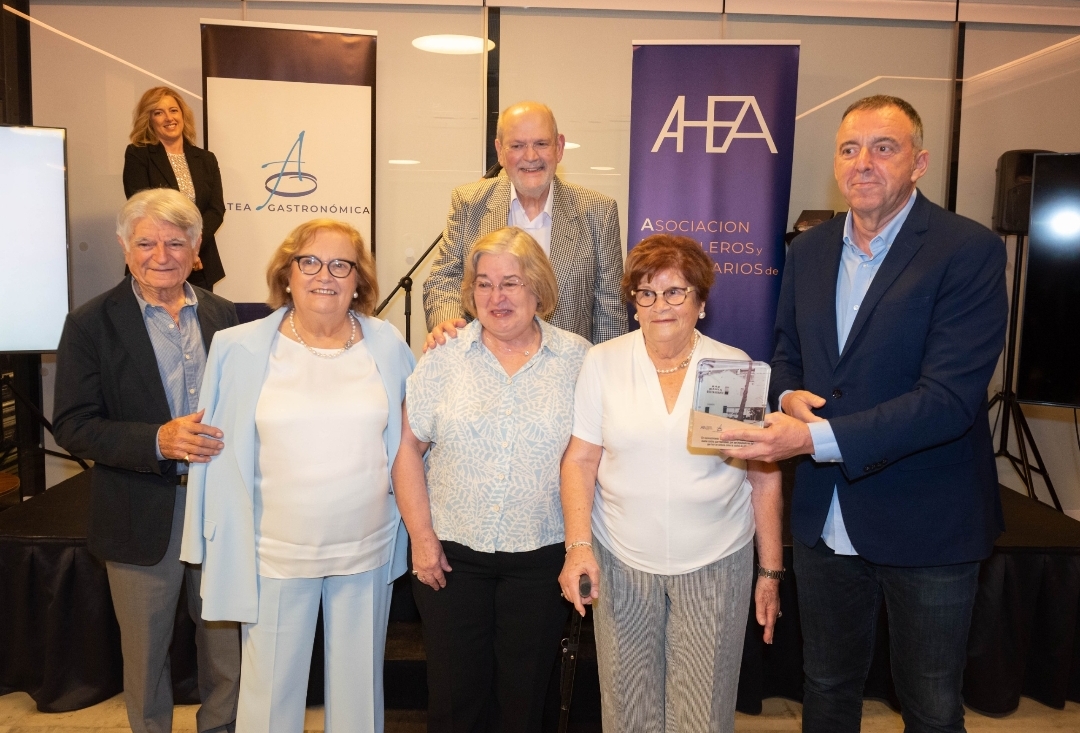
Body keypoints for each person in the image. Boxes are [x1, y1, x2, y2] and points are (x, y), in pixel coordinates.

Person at [722, 95, 1008, 733]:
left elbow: (949, 400)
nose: (863, 163)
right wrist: (787, 395)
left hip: (929, 519)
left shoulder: (969, 250)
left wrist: (814, 438)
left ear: (919, 162)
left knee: (931, 705)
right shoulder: (809, 250)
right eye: (850, 149)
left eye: (884, 148)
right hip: (826, 518)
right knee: (826, 688)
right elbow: (787, 354)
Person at [178, 219, 415, 733]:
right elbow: (212, 449)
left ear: (359, 280)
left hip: (367, 548)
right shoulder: (237, 346)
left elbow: (412, 441)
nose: (324, 275)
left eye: (341, 265)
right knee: (268, 698)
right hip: (275, 552)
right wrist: (202, 538)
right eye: (309, 262)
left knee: (359, 696)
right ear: (286, 274)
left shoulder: (388, 343)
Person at [557, 234, 783, 733]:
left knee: (701, 718)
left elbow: (763, 476)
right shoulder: (604, 363)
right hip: (622, 561)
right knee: (629, 713)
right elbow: (580, 461)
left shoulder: (732, 368)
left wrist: (770, 572)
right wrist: (578, 547)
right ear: (633, 303)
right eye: (646, 293)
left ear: (701, 303)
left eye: (675, 291)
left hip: (715, 563)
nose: (660, 305)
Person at [53, 188, 240, 733]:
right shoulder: (90, 323)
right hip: (137, 511)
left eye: (176, 243)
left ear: (197, 249)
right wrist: (158, 440)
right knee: (145, 659)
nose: (161, 255)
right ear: (123, 246)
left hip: (219, 511)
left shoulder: (224, 314)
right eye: (146, 243)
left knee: (226, 656)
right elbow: (73, 425)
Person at [394, 227, 591, 733]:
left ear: (538, 287)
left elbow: (590, 457)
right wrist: (421, 539)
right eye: (484, 284)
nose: (496, 297)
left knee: (524, 704)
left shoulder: (579, 359)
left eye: (510, 283)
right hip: (451, 559)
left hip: (542, 558)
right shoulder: (443, 356)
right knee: (454, 702)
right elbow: (407, 450)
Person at [422, 101, 626, 347]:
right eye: (517, 146)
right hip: (483, 362)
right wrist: (450, 325)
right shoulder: (469, 203)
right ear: (500, 151)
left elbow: (610, 312)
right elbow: (444, 279)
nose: (531, 156)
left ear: (559, 147)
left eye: (541, 144)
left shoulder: (598, 212)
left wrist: (604, 368)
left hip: (569, 367)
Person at [124, 86, 226, 290]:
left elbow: (216, 210)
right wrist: (179, 247)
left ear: (182, 115)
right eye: (158, 113)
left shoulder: (206, 159)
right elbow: (143, 208)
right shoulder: (138, 155)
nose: (169, 118)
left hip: (200, 263)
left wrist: (192, 246)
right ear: (149, 119)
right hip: (156, 261)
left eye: (173, 110)